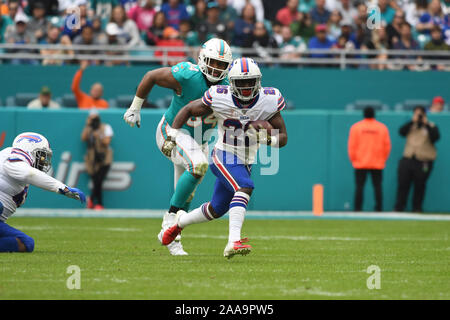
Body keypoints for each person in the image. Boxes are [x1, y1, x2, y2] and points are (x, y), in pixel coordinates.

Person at [160, 58, 288, 258]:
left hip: (246, 160)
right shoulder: (220, 96)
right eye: (241, 82)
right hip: (223, 154)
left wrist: (266, 139)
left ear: (259, 81)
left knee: (216, 209)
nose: (246, 87)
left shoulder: (269, 99)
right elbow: (187, 109)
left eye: (250, 81)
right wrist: (174, 134)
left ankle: (178, 223)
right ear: (231, 82)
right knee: (245, 186)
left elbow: (283, 137)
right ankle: (233, 241)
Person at [123, 38, 232, 256]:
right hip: (171, 133)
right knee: (199, 165)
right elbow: (151, 76)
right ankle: (170, 219)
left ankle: (173, 236)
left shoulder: (228, 86)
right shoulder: (188, 75)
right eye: (213, 62)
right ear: (202, 59)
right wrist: (135, 107)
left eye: (221, 65)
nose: (216, 68)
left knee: (187, 193)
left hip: (198, 141)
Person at [0, 132, 85, 253]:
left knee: (26, 243)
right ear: (30, 149)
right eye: (41, 155)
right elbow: (28, 173)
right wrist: (62, 188)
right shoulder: (12, 156)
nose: (44, 161)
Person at [394, 106, 440, 212]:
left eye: (420, 114)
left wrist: (426, 123)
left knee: (420, 186)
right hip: (408, 159)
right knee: (403, 184)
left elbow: (435, 137)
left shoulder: (431, 126)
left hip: (423, 161)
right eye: (416, 114)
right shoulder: (411, 125)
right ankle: (399, 207)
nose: (418, 116)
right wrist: (412, 121)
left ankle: (417, 208)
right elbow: (401, 132)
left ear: (425, 114)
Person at [348, 107, 391, 212]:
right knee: (377, 187)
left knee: (359, 187)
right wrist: (383, 159)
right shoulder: (382, 128)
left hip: (360, 163)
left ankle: (358, 209)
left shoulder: (356, 127)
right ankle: (379, 208)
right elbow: (387, 146)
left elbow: (352, 146)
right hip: (377, 163)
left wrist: (354, 159)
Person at [81, 110, 113, 210]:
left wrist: (98, 135)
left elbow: (107, 142)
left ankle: (92, 200)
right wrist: (88, 126)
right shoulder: (89, 129)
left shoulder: (105, 127)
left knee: (99, 180)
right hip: (92, 159)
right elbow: (83, 138)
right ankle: (98, 204)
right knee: (96, 181)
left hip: (104, 158)